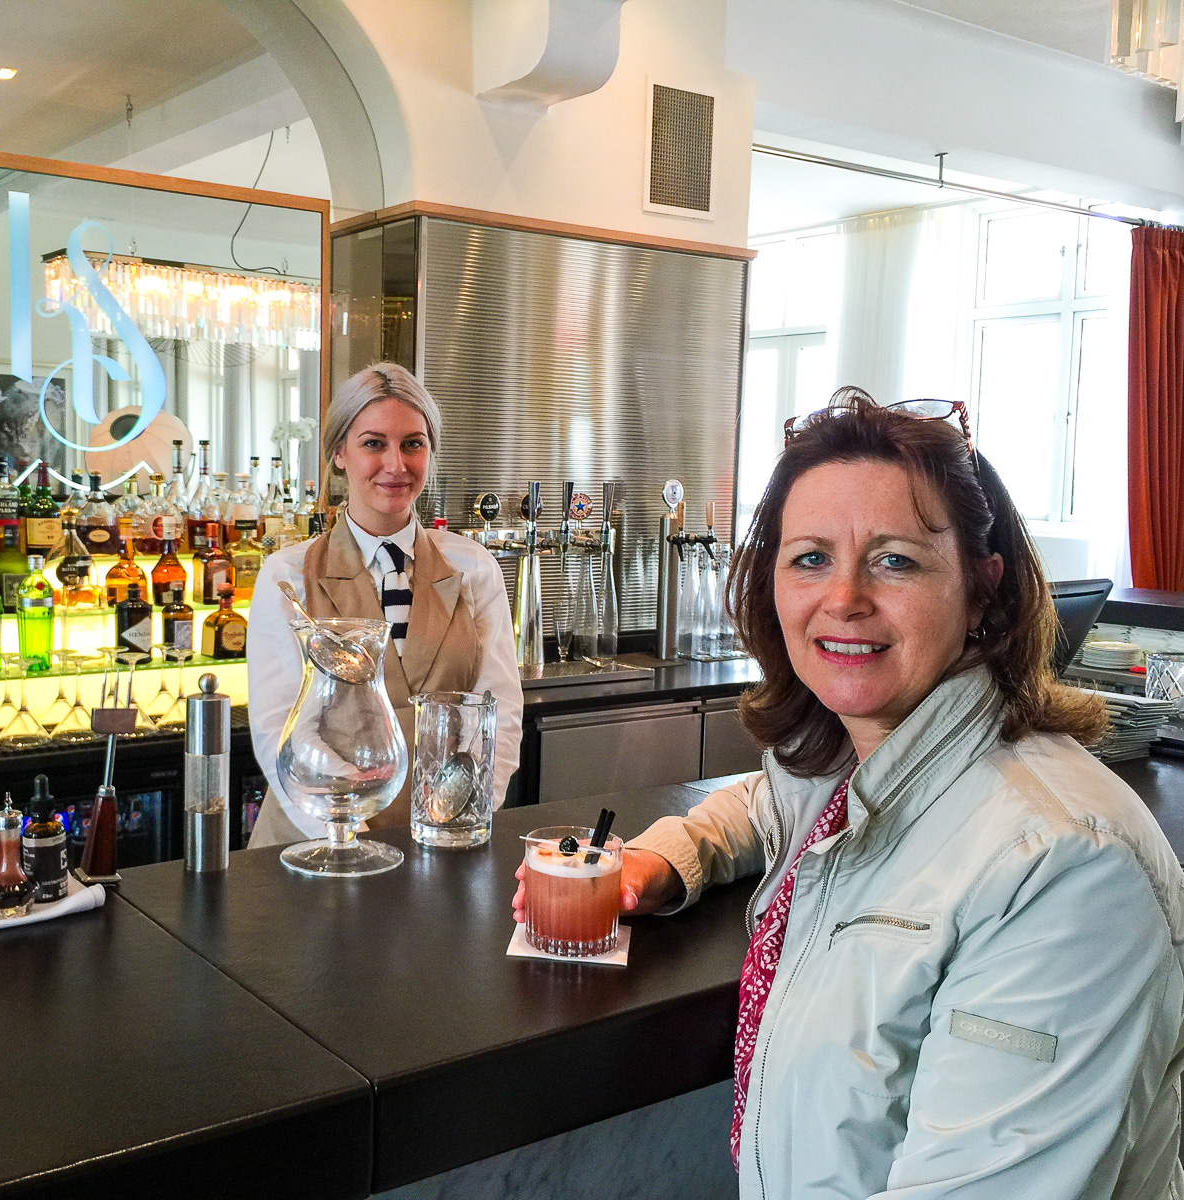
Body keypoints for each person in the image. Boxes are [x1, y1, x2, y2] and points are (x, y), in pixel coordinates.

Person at [513, 388, 1184, 1197]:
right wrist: (659, 861)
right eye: (811, 558)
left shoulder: (1066, 870)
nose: (843, 598)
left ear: (983, 587)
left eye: (895, 559)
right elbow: (763, 806)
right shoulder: (854, 763)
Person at [247, 363, 523, 848]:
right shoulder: (287, 578)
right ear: (339, 453)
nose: (396, 465)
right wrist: (350, 832)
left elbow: (498, 713)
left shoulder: (474, 569)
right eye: (374, 443)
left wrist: (461, 814)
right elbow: (279, 733)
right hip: (315, 842)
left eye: (413, 443)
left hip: (442, 835)